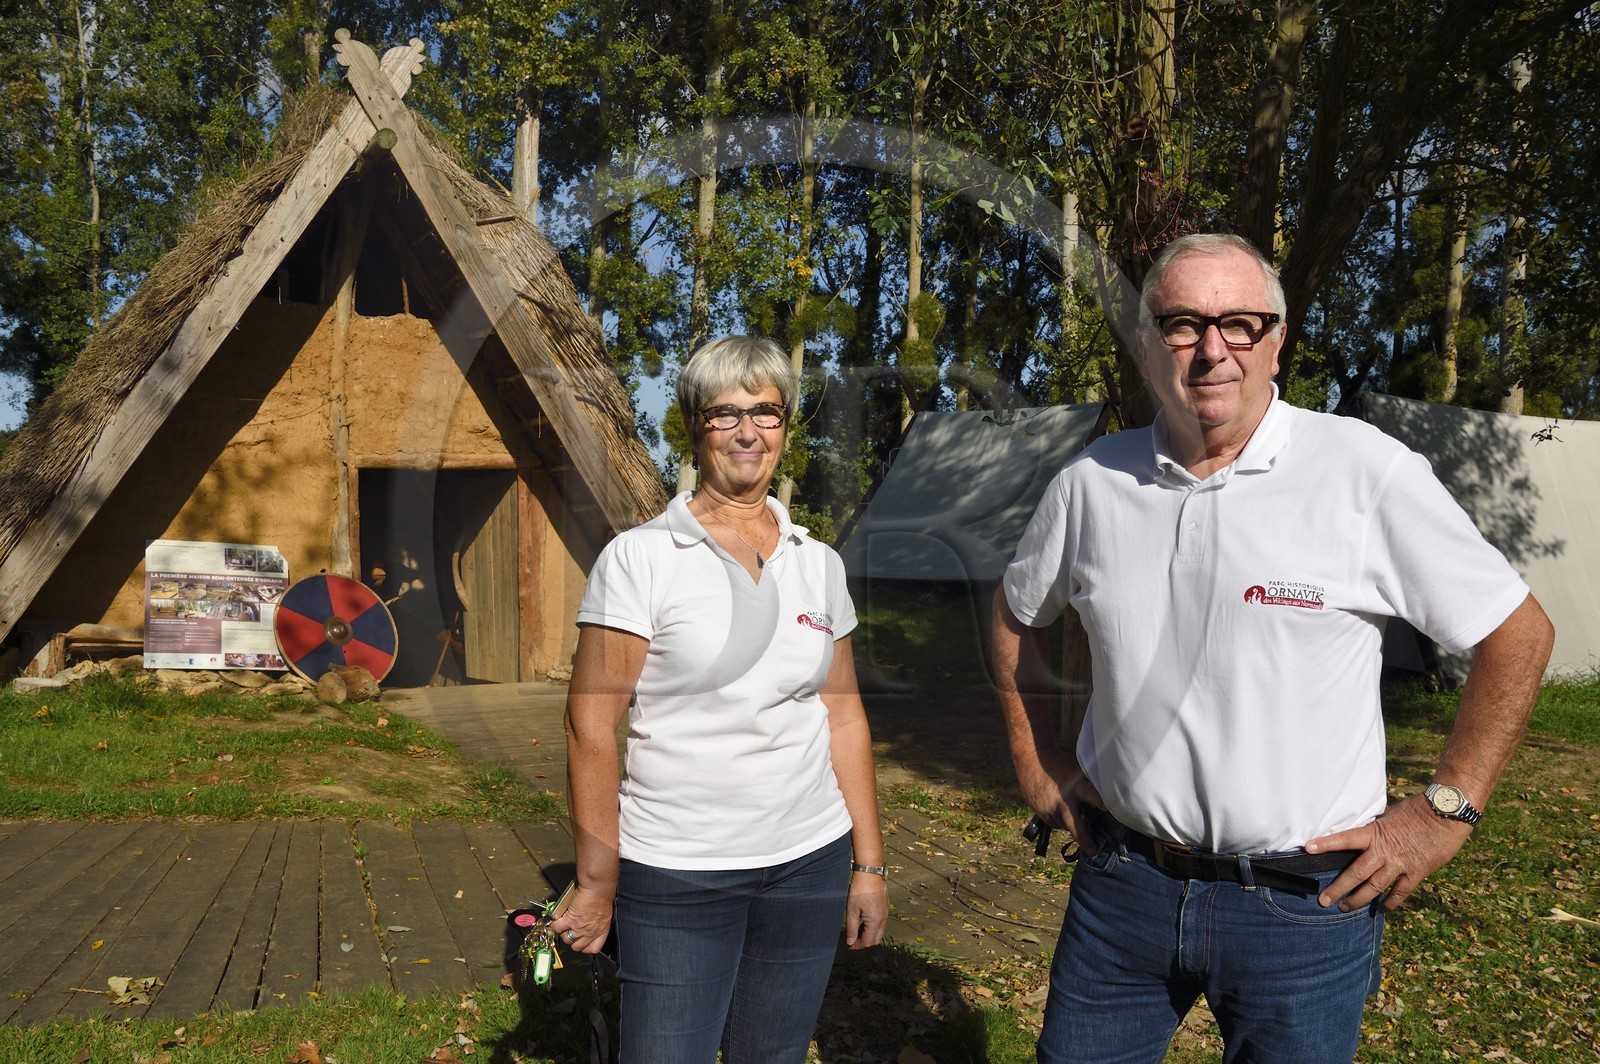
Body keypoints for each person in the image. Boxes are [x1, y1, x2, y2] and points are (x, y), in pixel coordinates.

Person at [992, 233, 1554, 1063]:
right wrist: (1037, 761)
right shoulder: (1092, 483)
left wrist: (1447, 810)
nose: (1212, 349)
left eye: (1239, 323)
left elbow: (1518, 632)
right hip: (1123, 887)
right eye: (1182, 324)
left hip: (1304, 907)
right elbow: (1016, 614)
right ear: (1147, 344)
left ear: (1277, 339)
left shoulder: (1362, 471)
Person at [549, 335, 889, 1063]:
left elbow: (844, 717)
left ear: (785, 427)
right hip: (678, 867)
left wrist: (868, 865)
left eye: (766, 412)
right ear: (693, 426)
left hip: (809, 861)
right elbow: (590, 725)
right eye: (724, 413)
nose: (747, 431)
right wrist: (596, 881)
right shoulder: (641, 558)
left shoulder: (819, 563)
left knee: (772, 1054)